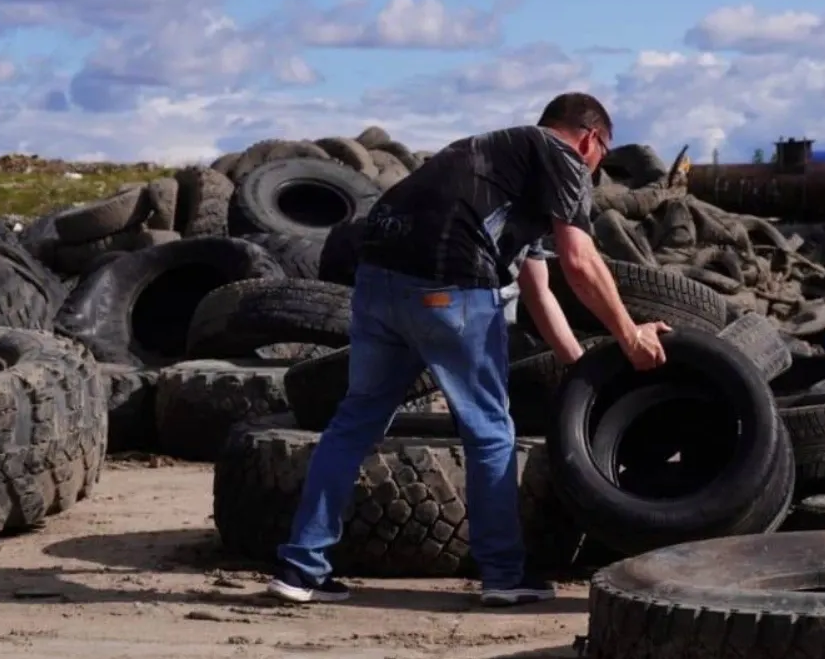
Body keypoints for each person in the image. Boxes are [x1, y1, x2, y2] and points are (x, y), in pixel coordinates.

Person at [266, 92, 671, 607]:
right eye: (601, 160)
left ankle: (300, 570)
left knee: (354, 423)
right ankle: (503, 575)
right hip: (448, 287)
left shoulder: (494, 160)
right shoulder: (562, 157)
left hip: (376, 283)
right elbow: (581, 261)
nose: (596, 173)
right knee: (489, 433)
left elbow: (538, 287)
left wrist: (582, 372)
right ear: (591, 140)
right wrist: (630, 335)